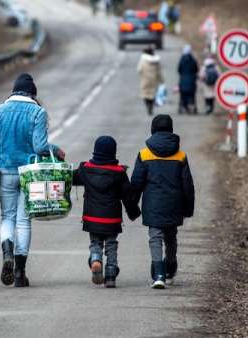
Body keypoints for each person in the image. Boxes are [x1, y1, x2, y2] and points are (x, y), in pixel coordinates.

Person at [0, 73, 65, 288]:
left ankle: (7, 253)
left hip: (5, 172)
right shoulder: (37, 112)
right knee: (24, 221)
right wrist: (56, 150)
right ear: (33, 94)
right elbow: (41, 148)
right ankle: (19, 273)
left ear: (13, 91)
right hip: (30, 175)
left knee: (8, 217)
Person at [130, 115, 195, 289]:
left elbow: (136, 183)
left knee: (155, 237)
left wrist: (132, 205)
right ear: (171, 130)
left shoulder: (144, 154)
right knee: (171, 236)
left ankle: (158, 274)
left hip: (153, 204)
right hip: (174, 204)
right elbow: (187, 185)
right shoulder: (181, 156)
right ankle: (170, 266)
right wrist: (188, 208)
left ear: (153, 130)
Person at [73, 136, 141, 288]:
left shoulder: (86, 169)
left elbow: (71, 178)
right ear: (114, 152)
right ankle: (110, 275)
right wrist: (134, 213)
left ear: (95, 151)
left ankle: (96, 259)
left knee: (95, 242)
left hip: (92, 218)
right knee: (111, 245)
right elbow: (128, 197)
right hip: (112, 219)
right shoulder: (119, 173)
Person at [137, 47, 163, 116]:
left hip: (145, 80)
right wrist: (161, 81)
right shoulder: (156, 61)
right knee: (153, 94)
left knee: (145, 94)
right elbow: (159, 72)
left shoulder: (143, 60)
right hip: (154, 80)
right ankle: (151, 107)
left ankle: (148, 106)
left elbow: (139, 70)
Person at [177, 44, 199, 115]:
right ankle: (192, 107)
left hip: (183, 81)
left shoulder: (182, 60)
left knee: (183, 95)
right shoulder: (193, 60)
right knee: (192, 95)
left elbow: (179, 70)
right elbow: (196, 69)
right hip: (192, 81)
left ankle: (183, 107)